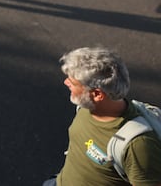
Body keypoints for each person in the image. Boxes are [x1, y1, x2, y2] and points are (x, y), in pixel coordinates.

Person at [43, 47, 161, 186]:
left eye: (73, 82)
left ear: (97, 94)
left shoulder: (137, 145)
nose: (66, 83)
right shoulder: (87, 107)